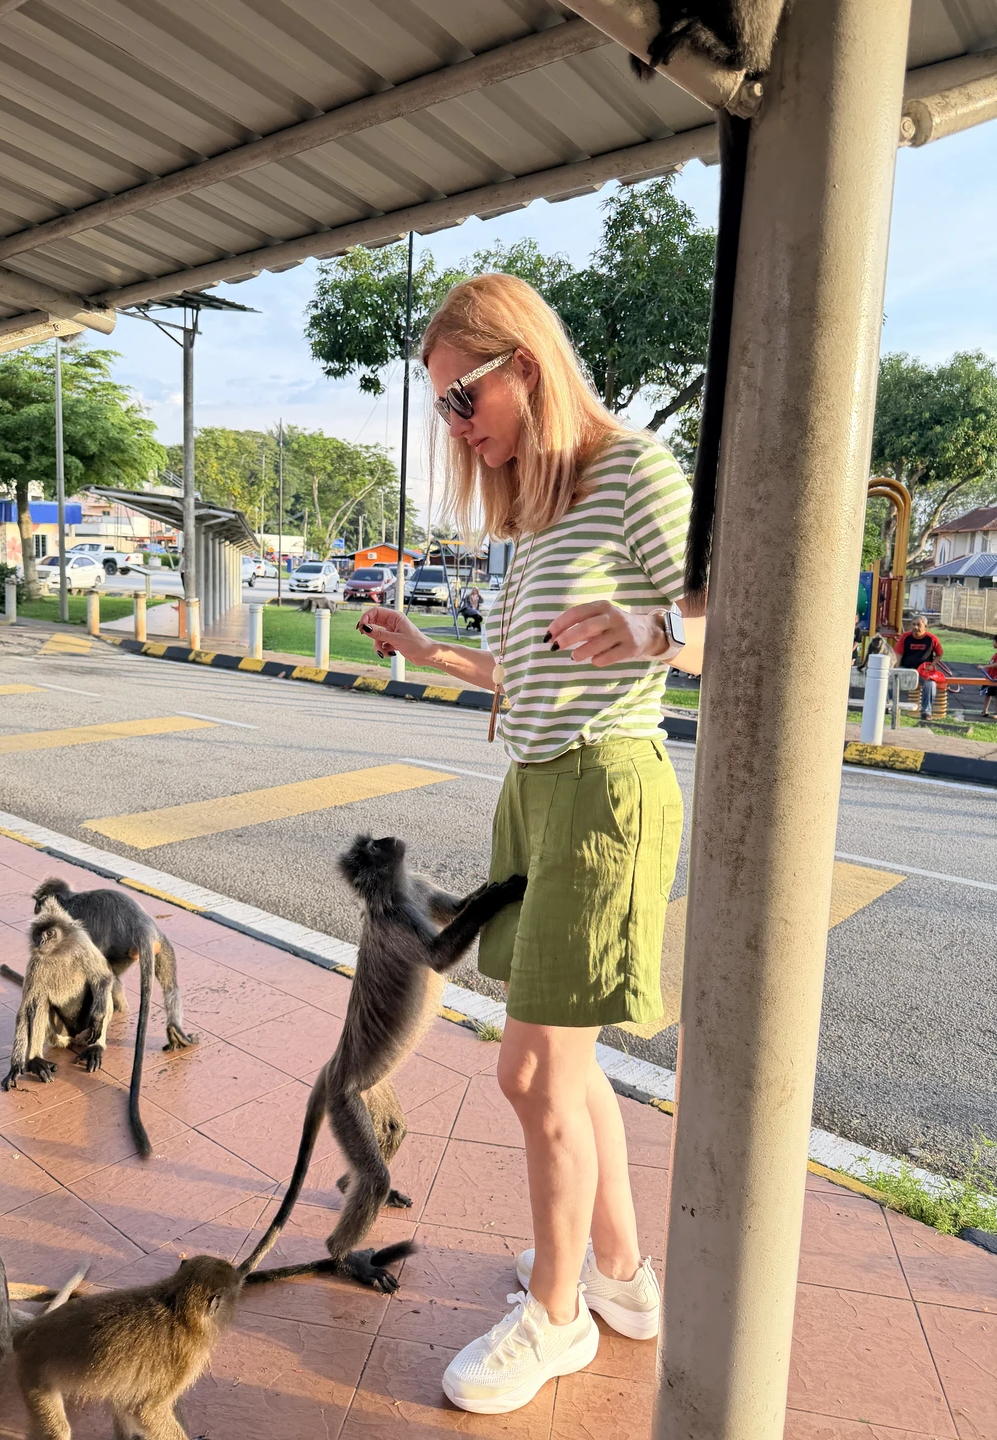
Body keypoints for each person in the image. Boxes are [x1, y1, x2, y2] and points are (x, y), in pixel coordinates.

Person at [357, 273, 704, 1414]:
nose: (458, 426)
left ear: (528, 364)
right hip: (538, 787)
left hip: (607, 786)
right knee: (561, 1066)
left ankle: (556, 1319)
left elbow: (738, 617)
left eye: (465, 397)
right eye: (444, 407)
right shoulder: (540, 510)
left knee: (535, 1071)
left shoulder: (635, 470)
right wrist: (427, 651)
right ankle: (620, 1278)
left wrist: (652, 625)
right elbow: (530, 672)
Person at [894, 614, 944, 723]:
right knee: (890, 678)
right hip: (907, 669)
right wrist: (896, 668)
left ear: (925, 626)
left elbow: (939, 654)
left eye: (918, 625)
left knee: (931, 684)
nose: (915, 627)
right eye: (913, 624)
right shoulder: (905, 637)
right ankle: (888, 705)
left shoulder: (932, 639)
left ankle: (926, 712)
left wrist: (932, 665)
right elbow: (898, 653)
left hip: (923, 672)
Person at [982, 635, 997, 719]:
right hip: (989, 677)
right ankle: (985, 710)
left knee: (996, 695)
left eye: (994, 642)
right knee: (988, 694)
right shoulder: (995, 654)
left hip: (995, 679)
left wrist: (985, 666)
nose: (993, 643)